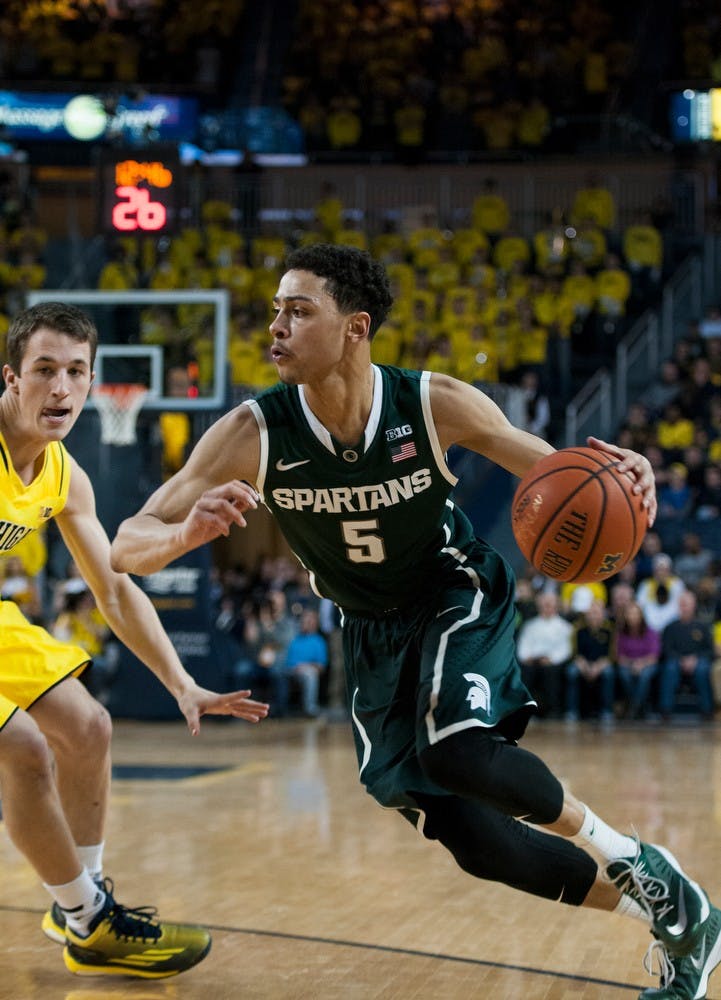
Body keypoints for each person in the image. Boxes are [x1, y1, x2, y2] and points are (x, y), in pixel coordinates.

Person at [111, 244, 721, 1000]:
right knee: (473, 840)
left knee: (460, 749)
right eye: (274, 310)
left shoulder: (432, 404)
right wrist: (179, 535)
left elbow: (552, 470)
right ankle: (678, 917)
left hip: (451, 586)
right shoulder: (251, 431)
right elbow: (124, 544)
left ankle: (632, 856)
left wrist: (625, 476)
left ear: (354, 327)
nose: (275, 326)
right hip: (369, 630)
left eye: (298, 311)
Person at [0, 302, 268, 979]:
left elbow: (115, 590)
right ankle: (93, 924)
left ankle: (76, 904)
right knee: (22, 746)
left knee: (88, 728)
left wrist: (182, 682)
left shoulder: (64, 477)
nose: (59, 388)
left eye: (74, 372)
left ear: (92, 384)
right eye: (43, 371)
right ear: (11, 378)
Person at [659, 590, 715, 722]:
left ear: (694, 605)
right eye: (682, 604)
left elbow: (709, 650)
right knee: (670, 668)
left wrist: (694, 659)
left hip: (698, 660)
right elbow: (666, 650)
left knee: (703, 669)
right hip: (676, 661)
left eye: (687, 604)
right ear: (678, 606)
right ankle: (665, 710)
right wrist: (681, 660)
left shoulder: (703, 626)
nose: (684, 607)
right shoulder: (670, 627)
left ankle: (707, 710)